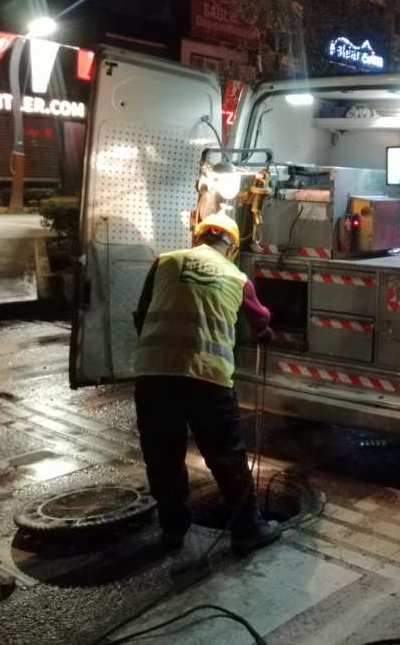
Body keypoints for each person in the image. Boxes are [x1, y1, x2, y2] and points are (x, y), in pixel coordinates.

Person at [132, 210, 280, 554]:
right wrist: (265, 332)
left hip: (154, 376)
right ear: (230, 245)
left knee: (162, 456)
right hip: (208, 379)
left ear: (197, 238)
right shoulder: (236, 276)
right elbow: (260, 318)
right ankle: (247, 529)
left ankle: (173, 530)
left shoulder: (165, 262)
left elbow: (141, 314)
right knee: (226, 456)